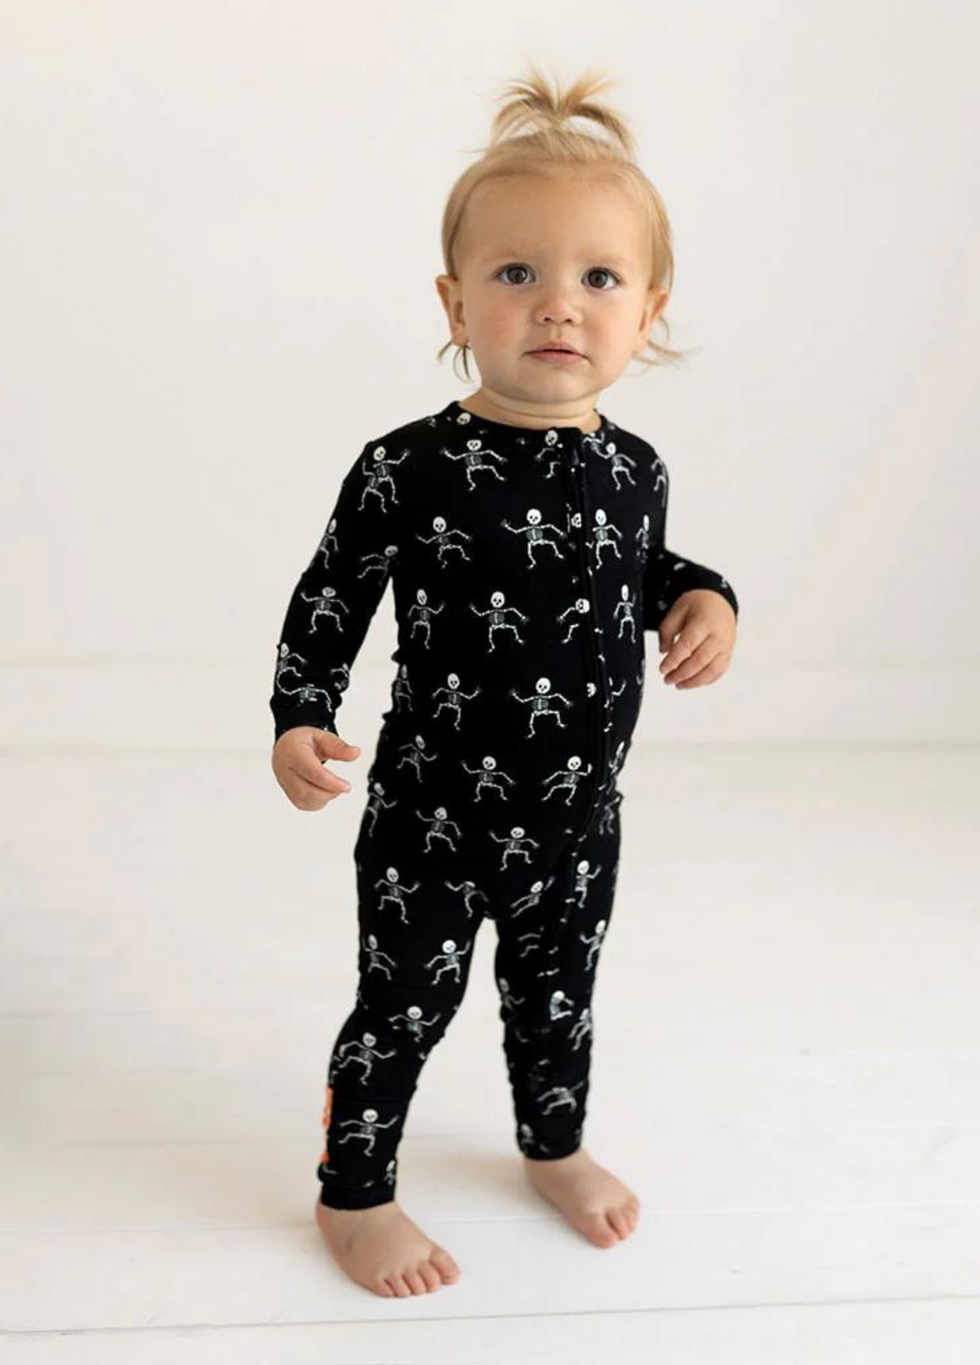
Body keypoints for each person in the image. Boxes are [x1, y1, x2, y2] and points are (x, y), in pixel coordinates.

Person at [268, 62, 739, 1299]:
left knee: (558, 1003)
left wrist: (706, 596)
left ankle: (553, 1145)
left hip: (577, 825)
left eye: (599, 278)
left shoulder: (636, 471)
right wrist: (300, 714)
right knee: (399, 1011)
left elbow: (645, 569)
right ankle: (353, 1196)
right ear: (456, 300)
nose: (558, 306)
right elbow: (330, 597)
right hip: (432, 818)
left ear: (648, 310)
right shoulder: (406, 468)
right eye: (517, 272)